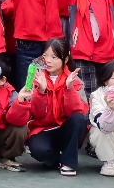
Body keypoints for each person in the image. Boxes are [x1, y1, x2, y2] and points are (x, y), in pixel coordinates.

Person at [23, 38, 89, 176]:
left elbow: (79, 112)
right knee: (38, 150)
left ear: (65, 59)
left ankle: (69, 163)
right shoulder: (36, 79)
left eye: (54, 57)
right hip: (44, 129)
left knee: (78, 119)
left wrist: (69, 88)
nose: (48, 61)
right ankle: (59, 160)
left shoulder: (74, 80)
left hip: (66, 129)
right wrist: (41, 91)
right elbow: (36, 113)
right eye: (45, 55)